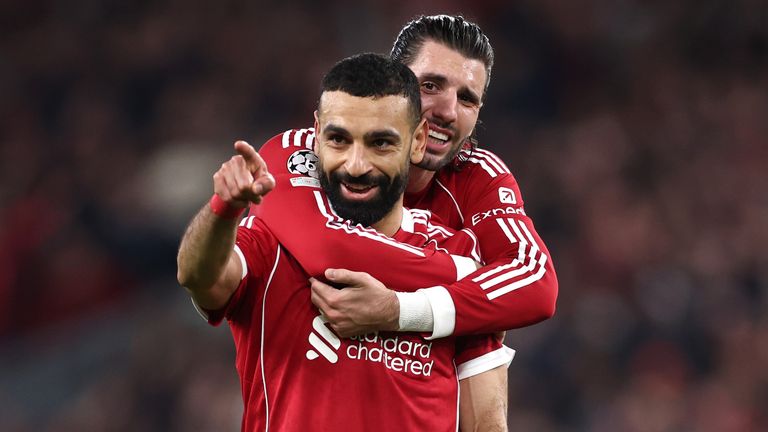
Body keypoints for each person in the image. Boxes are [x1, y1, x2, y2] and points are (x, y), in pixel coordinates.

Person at [177, 53, 513, 431]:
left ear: (418, 141)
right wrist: (224, 208)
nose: (356, 165)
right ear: (317, 136)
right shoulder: (274, 244)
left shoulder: (457, 254)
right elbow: (197, 276)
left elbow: (486, 421)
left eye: (380, 144)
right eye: (339, 139)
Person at [252, 15, 558, 339]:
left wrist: (402, 311)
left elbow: (538, 284)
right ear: (394, 81)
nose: (448, 111)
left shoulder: (478, 176)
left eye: (467, 98)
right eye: (430, 85)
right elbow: (329, 252)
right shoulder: (301, 153)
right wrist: (468, 270)